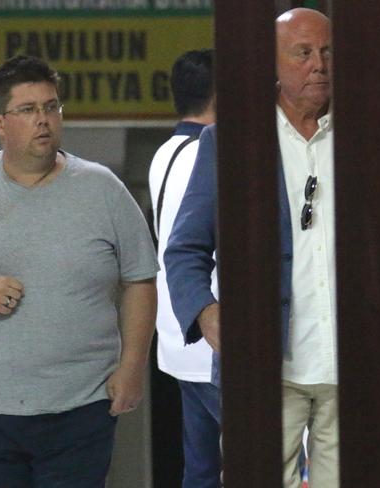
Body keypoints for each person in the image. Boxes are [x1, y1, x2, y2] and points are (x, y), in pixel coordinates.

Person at [164, 8, 380, 488]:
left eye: (328, 51)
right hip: (264, 367)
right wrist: (206, 315)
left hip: (359, 362)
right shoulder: (232, 142)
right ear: (272, 64)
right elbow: (184, 249)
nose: (319, 64)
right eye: (303, 53)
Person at [0, 55, 158, 488]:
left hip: (81, 401)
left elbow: (139, 280)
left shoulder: (102, 188)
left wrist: (132, 366)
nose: (43, 120)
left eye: (51, 107)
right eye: (28, 110)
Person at [148, 49, 221, 488]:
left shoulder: (165, 152)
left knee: (200, 470)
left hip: (179, 339)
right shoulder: (209, 156)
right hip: (214, 333)